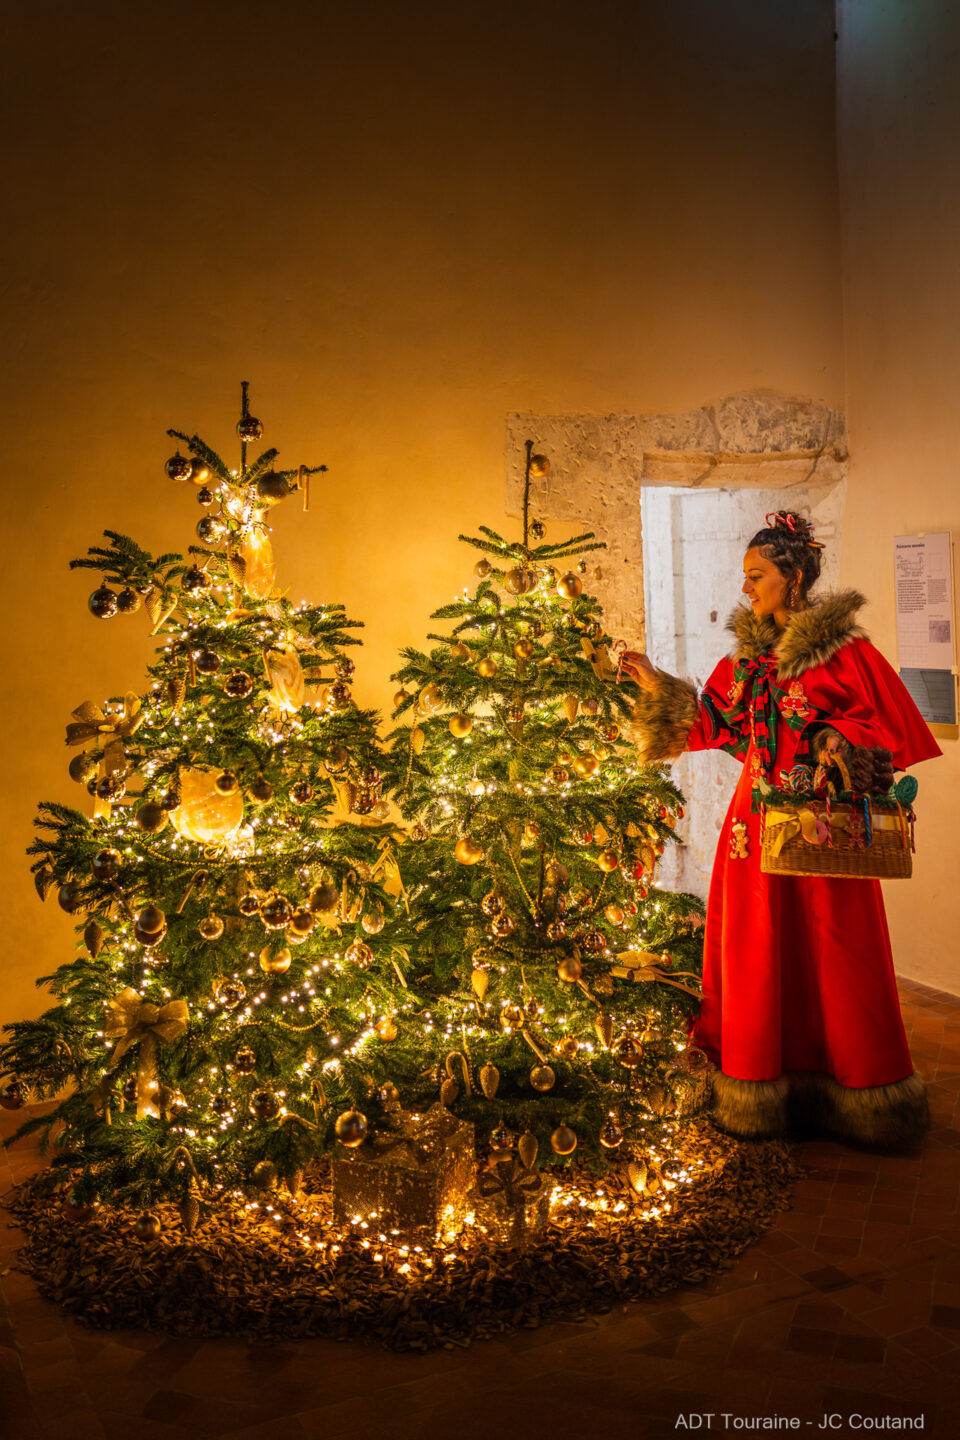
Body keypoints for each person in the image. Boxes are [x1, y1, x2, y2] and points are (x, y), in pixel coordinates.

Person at [621, 511, 941, 1147]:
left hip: (825, 822)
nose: (746, 588)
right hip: (754, 822)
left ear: (793, 579)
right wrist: (657, 685)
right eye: (745, 576)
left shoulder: (847, 654)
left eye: (756, 575)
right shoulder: (749, 661)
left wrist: (835, 740)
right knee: (757, 941)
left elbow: (879, 726)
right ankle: (756, 1082)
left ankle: (861, 1088)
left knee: (836, 946)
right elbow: (714, 724)